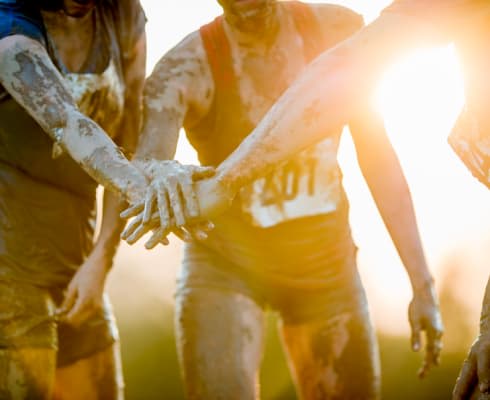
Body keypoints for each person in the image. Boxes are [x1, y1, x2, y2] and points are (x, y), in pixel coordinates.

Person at [123, 1, 490, 399]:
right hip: (227, 261)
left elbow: (376, 156)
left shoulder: (336, 30)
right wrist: (165, 172)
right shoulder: (183, 68)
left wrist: (421, 283)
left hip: (324, 261)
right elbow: (148, 168)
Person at [0, 0, 150, 398]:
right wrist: (151, 191)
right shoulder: (9, 27)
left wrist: (102, 257)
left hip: (76, 258)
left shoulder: (124, 15)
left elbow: (130, 137)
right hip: (8, 263)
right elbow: (71, 124)